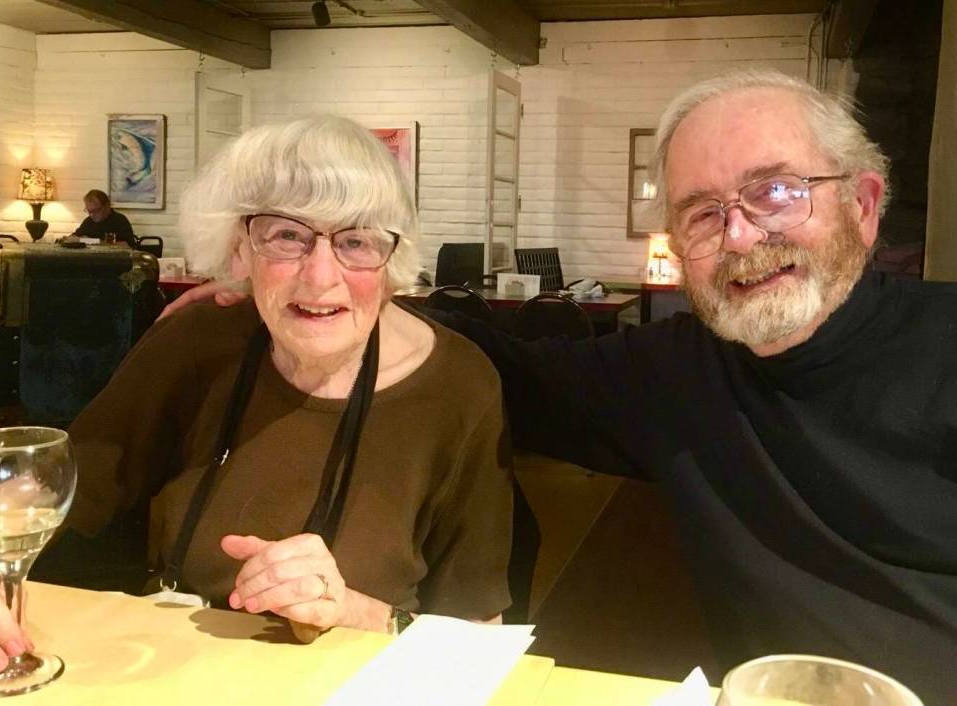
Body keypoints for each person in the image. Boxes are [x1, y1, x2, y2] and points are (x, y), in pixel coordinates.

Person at [159, 70, 957, 703]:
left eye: (777, 191)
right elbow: (505, 369)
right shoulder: (675, 373)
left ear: (864, 205)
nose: (742, 234)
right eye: (702, 213)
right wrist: (337, 295)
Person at [0, 116, 513, 676]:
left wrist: (356, 613)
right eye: (286, 236)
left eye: (356, 240)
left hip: (360, 681)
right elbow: (62, 474)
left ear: (392, 261)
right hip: (173, 670)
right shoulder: (199, 338)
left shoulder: (458, 387)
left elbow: (479, 634)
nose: (320, 277)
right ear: (240, 250)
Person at [72, 189, 136, 246]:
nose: (91, 215)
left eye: (96, 211)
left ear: (107, 206)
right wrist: (75, 239)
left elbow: (129, 245)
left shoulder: (120, 220)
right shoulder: (88, 221)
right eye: (89, 211)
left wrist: (100, 243)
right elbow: (73, 237)